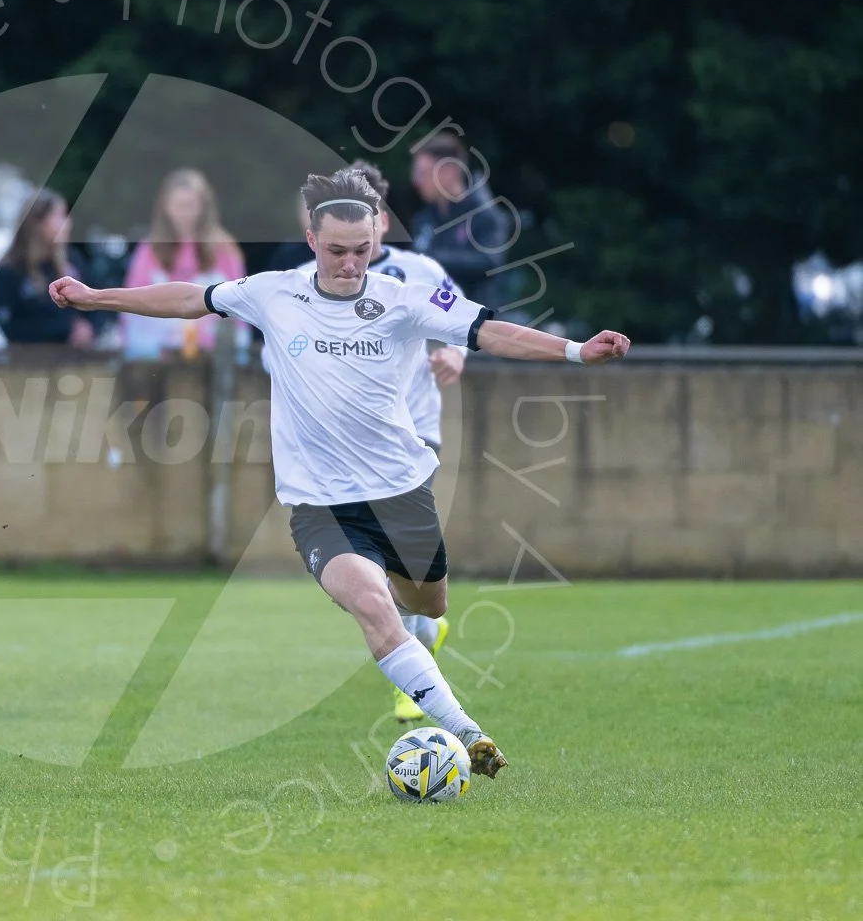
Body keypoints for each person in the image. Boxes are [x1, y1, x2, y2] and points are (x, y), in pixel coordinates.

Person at [49, 167, 630, 779]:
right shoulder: (275, 293)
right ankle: (469, 733)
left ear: (376, 240)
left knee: (426, 605)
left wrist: (574, 351)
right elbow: (190, 297)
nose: (351, 264)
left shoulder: (405, 295)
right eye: (336, 252)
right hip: (320, 505)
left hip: (403, 492)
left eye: (362, 251)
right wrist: (95, 297)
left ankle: (421, 636)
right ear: (311, 241)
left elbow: (488, 331)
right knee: (372, 605)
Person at [293, 161, 466, 724]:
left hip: (412, 436)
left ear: (381, 219)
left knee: (399, 568)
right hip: (343, 451)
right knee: (377, 577)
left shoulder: (419, 273)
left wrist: (453, 355)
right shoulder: (307, 280)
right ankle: (419, 644)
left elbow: (462, 325)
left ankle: (408, 677)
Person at [120, 168, 247, 360]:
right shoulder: (148, 250)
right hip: (158, 354)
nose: (184, 213)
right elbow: (133, 307)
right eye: (178, 205)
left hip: (212, 354)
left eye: (190, 205)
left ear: (203, 206)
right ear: (165, 206)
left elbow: (240, 305)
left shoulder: (225, 249)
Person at [408, 131, 515, 311]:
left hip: (476, 326)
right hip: (430, 323)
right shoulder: (423, 219)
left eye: (422, 172)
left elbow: (489, 262)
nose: (415, 180)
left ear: (450, 171)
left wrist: (430, 260)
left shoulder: (485, 215)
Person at [0, 189, 97, 348]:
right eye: (59, 216)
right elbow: (11, 326)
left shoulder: (73, 260)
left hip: (77, 360)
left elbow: (96, 300)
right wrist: (65, 331)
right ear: (37, 223)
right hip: (30, 364)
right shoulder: (10, 271)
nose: (67, 223)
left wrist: (90, 329)